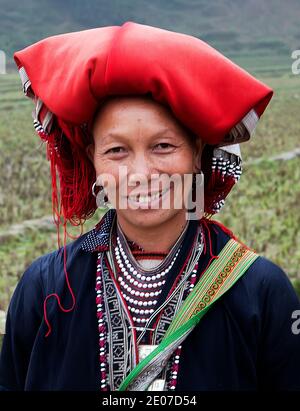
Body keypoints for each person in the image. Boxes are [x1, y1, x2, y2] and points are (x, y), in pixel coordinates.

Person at [0, 21, 299, 391]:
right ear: (94, 160)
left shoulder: (262, 292)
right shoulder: (44, 288)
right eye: (116, 150)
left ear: (196, 153)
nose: (140, 174)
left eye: (163, 146)